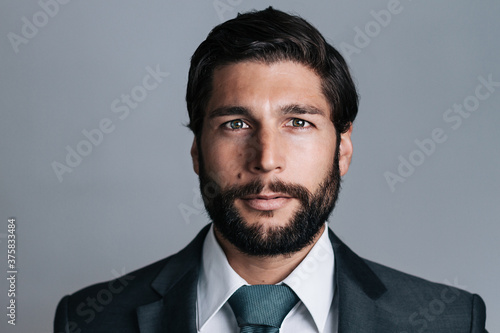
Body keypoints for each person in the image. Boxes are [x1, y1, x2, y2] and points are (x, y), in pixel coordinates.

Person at [54, 7, 487, 333]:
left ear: (343, 148)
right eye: (235, 124)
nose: (265, 159)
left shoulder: (449, 321)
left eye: (298, 123)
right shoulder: (88, 319)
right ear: (196, 150)